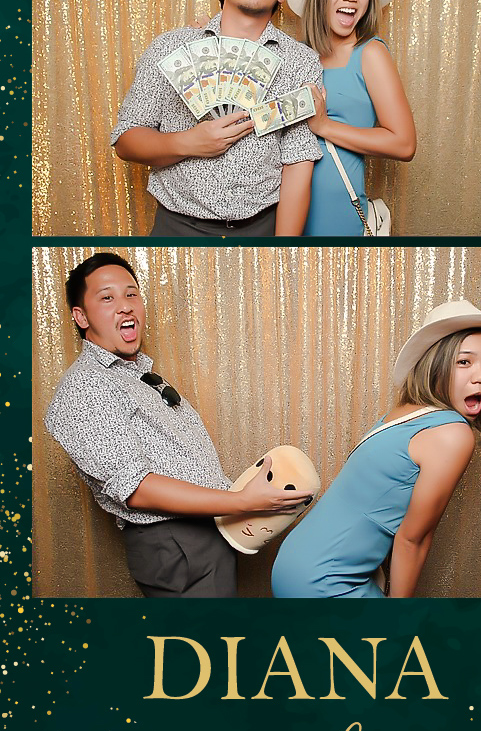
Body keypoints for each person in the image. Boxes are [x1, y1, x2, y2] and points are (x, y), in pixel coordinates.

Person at [44, 254, 313, 599]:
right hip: (177, 543)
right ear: (81, 316)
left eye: (131, 294)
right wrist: (241, 502)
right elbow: (135, 488)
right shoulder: (86, 385)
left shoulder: (135, 375)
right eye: (107, 297)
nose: (125, 306)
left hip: (202, 534)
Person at [271, 299, 481, 599]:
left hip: (295, 563)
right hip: (323, 581)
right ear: (435, 365)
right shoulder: (452, 434)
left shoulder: (403, 414)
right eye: (464, 362)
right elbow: (413, 540)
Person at [111, 0, 322, 238]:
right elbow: (126, 140)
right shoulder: (171, 48)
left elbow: (298, 161)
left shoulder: (301, 61)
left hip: (263, 227)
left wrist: (282, 249)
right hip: (176, 227)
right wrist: (189, 142)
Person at [285, 0, 416, 237]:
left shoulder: (370, 53)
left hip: (339, 217)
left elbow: (404, 144)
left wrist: (324, 126)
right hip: (283, 214)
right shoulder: (296, 55)